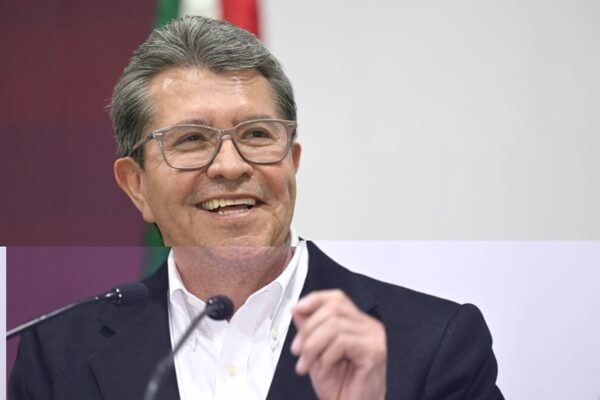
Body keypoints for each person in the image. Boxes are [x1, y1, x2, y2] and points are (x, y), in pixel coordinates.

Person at [10, 16, 503, 400]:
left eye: (256, 135)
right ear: (136, 186)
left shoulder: (434, 344)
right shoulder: (57, 355)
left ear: (292, 161)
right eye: (191, 140)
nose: (230, 166)